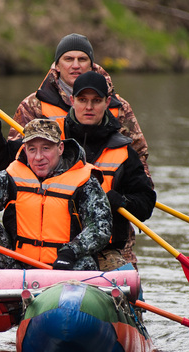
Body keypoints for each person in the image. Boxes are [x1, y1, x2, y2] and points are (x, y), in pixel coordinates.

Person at [0, 118, 112, 290]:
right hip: (18, 267)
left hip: (65, 266)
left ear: (60, 148)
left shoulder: (85, 182)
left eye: (46, 148)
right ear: (25, 149)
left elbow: (100, 228)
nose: (38, 157)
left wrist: (71, 252)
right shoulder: (12, 177)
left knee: (86, 261)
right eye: (32, 149)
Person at [0, 33, 150, 176]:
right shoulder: (34, 105)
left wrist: (133, 198)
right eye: (68, 59)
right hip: (54, 199)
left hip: (107, 200)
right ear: (57, 65)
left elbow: (139, 157)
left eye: (82, 59)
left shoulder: (119, 107)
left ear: (91, 65)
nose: (76, 66)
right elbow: (7, 161)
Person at [63, 71, 156, 270]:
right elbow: (0, 163)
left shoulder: (124, 152)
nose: (89, 107)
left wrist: (122, 201)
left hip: (104, 253)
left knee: (129, 287)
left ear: (107, 103)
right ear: (72, 101)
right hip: (57, 247)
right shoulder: (50, 144)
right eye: (82, 100)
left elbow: (146, 204)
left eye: (96, 100)